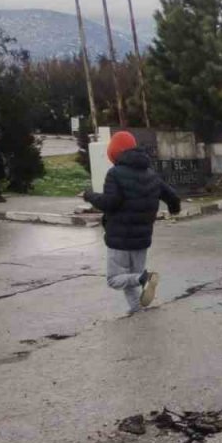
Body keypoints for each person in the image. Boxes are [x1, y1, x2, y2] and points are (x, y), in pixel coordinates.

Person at [84, 131, 181, 314]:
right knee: (131, 279)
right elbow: (173, 197)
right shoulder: (151, 174)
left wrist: (89, 196)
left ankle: (145, 278)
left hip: (119, 238)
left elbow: (109, 203)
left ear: (114, 152)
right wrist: (174, 209)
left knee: (115, 279)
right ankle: (137, 310)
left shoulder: (114, 174)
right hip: (142, 239)